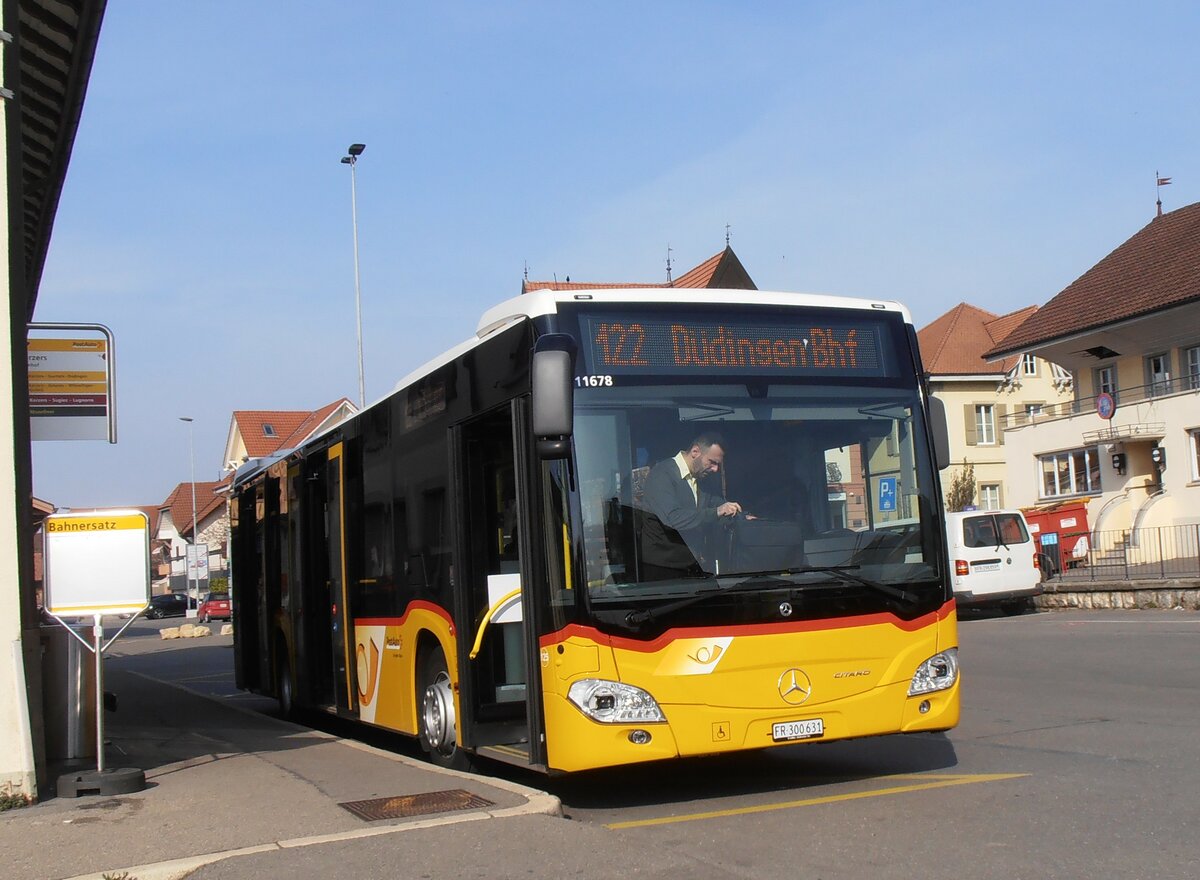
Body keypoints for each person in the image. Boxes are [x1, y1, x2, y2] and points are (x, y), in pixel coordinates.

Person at [639, 433, 745, 580]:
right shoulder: (661, 475)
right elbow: (674, 519)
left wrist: (742, 516)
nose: (715, 469)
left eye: (718, 465)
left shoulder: (702, 480)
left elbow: (717, 504)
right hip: (662, 571)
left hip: (691, 567)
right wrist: (717, 512)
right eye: (712, 462)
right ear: (695, 452)